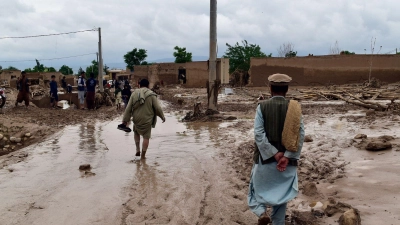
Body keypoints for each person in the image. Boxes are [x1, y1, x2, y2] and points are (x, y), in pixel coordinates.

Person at [248, 73, 305, 225]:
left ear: (271, 89)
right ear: (286, 90)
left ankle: (261, 212)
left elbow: (259, 135)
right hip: (287, 164)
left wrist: (274, 154)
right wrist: (287, 156)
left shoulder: (262, 107)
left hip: (264, 161)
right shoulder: (295, 108)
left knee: (253, 191)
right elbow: (300, 135)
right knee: (281, 197)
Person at [120, 79, 165, 159]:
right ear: (148, 86)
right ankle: (143, 156)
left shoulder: (134, 94)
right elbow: (157, 108)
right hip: (147, 119)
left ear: (139, 85)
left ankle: (137, 149)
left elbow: (128, 108)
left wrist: (125, 121)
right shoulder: (152, 95)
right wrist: (162, 117)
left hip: (136, 118)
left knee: (136, 132)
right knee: (146, 137)